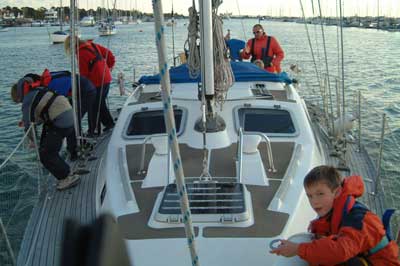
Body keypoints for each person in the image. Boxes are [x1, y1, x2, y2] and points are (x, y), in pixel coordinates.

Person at [270, 165, 400, 265]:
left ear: (337, 192)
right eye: (310, 196)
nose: (314, 201)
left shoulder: (357, 218)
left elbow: (341, 250)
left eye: (320, 194)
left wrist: (298, 249)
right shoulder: (333, 210)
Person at [11, 80, 80, 191]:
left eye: (18, 102)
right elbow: (44, 109)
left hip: (61, 121)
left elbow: (29, 125)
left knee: (46, 154)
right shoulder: (36, 90)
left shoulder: (26, 100)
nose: (20, 103)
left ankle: (67, 177)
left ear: (19, 97)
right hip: (69, 115)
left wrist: (32, 140)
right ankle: (66, 171)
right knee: (46, 147)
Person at [65, 36, 116, 135]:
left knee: (92, 106)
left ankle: (93, 131)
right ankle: (108, 124)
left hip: (96, 82)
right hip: (106, 78)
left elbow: (84, 74)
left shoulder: (81, 53)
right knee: (100, 103)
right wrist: (108, 67)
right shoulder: (93, 45)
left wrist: (82, 89)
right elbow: (109, 54)